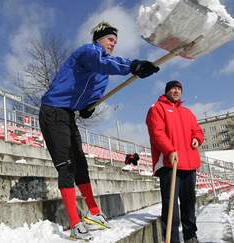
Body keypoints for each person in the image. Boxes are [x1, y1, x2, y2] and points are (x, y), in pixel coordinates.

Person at [39, 21, 159, 241]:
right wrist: (133, 65)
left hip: (67, 114)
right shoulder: (89, 52)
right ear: (98, 39)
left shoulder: (103, 75)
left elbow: (90, 95)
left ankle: (93, 213)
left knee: (80, 164)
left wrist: (87, 107)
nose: (113, 44)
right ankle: (75, 223)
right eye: (110, 39)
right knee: (65, 166)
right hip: (52, 111)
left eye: (115, 41)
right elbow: (103, 63)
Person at [145, 80, 204, 243]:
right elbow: (157, 133)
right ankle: (172, 238)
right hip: (170, 163)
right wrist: (170, 151)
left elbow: (198, 130)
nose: (176, 91)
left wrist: (197, 138)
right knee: (171, 206)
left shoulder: (188, 112)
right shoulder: (157, 108)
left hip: (189, 163)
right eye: (173, 89)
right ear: (167, 91)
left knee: (189, 203)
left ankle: (190, 235)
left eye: (179, 89)